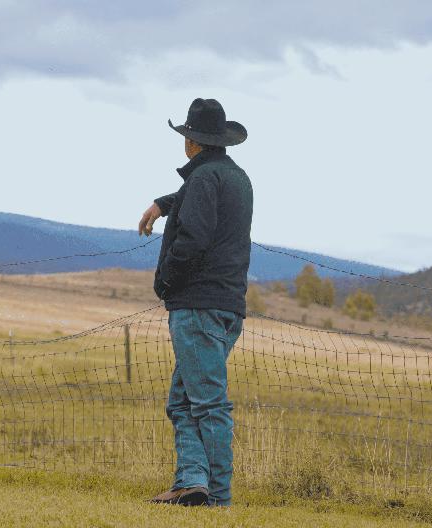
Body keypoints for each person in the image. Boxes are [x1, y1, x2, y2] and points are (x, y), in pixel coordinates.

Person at [139, 98, 253, 507]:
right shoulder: (235, 177)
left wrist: (166, 281)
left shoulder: (204, 179)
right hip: (226, 304)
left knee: (206, 403)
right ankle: (192, 482)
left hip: (198, 304)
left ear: (192, 141)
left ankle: (217, 496)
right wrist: (164, 203)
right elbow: (199, 197)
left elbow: (193, 238)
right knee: (184, 400)